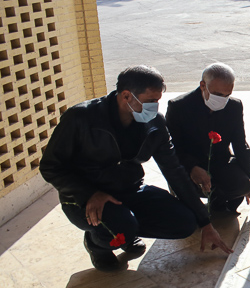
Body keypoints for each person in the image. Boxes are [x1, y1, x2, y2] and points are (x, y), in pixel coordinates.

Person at [40, 66, 233, 272]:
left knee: (185, 222)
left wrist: (205, 223)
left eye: (157, 100)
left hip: (130, 190)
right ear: (126, 96)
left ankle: (125, 230)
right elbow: (51, 166)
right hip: (84, 199)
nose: (154, 106)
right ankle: (98, 244)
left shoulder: (155, 123)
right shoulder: (81, 117)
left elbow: (174, 170)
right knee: (121, 227)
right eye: (150, 101)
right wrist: (89, 193)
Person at [166, 63, 250, 215]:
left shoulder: (234, 106)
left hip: (220, 162)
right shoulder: (179, 107)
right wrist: (192, 167)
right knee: (186, 203)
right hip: (189, 165)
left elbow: (240, 144)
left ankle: (218, 204)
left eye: (227, 95)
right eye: (217, 94)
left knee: (242, 184)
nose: (222, 99)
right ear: (203, 86)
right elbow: (172, 148)